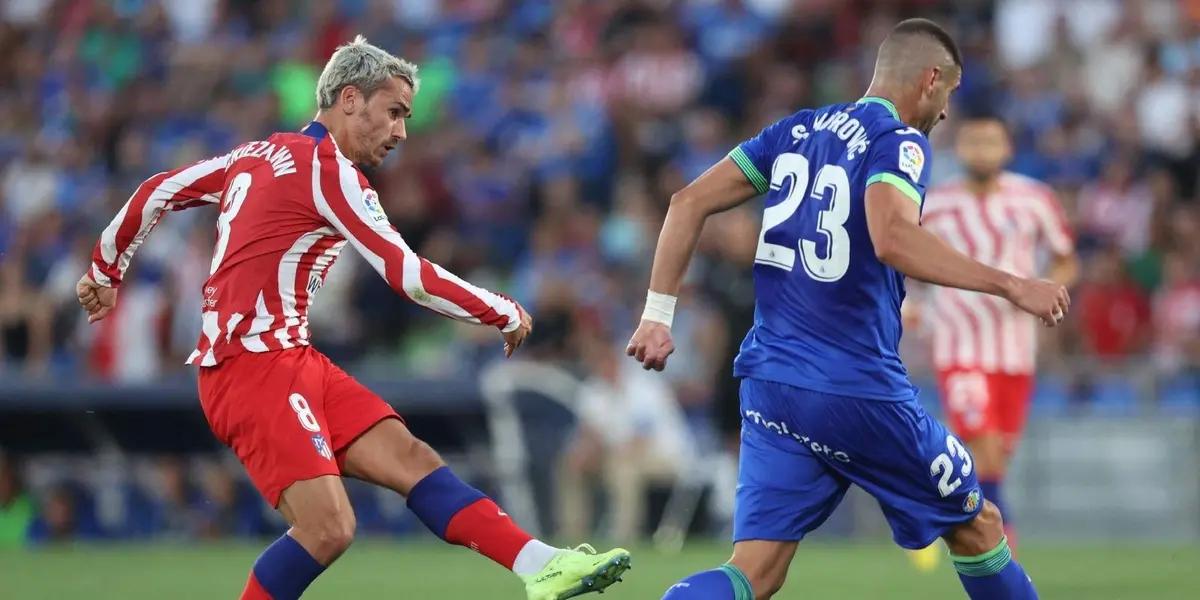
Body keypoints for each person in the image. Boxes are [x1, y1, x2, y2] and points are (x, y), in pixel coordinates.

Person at [76, 36, 629, 600]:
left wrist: (104, 271)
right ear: (348, 100)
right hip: (253, 367)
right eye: (393, 113)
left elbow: (157, 189)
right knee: (328, 528)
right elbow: (408, 276)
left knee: (413, 460)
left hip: (291, 359)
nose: (401, 133)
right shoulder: (327, 170)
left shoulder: (254, 155)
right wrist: (501, 309)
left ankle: (539, 565)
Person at [626, 19, 1067, 600]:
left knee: (753, 573)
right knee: (977, 527)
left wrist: (657, 314)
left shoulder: (794, 130)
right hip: (854, 386)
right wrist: (1012, 284)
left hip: (770, 383)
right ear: (930, 80)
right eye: (949, 96)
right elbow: (894, 239)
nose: (944, 115)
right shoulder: (901, 142)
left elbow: (687, 202)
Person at [914, 114, 1078, 557]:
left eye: (991, 142)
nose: (982, 151)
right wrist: (911, 305)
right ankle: (1004, 543)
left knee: (995, 458)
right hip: (957, 341)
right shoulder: (935, 204)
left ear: (1007, 149)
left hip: (1014, 348)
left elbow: (1065, 258)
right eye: (973, 142)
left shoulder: (1034, 199)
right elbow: (905, 257)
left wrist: (1046, 289)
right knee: (982, 444)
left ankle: (933, 513)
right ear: (959, 148)